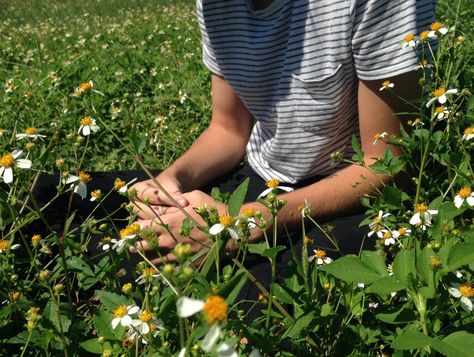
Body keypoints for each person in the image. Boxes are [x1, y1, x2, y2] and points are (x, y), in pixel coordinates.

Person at [128, 0, 435, 268]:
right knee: (121, 240)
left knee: (253, 312)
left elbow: (387, 164)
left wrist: (244, 224)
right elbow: (228, 130)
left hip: (347, 198)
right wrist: (170, 181)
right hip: (260, 181)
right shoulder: (214, 6)